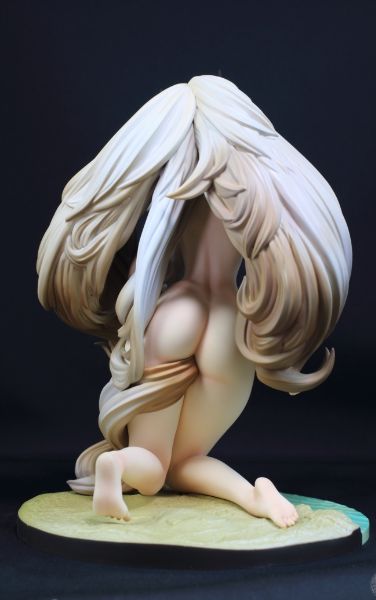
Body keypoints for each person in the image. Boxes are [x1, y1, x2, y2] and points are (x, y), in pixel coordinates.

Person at [37, 75, 352, 528]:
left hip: (176, 309)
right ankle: (253, 495)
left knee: (154, 463)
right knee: (186, 460)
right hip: (227, 317)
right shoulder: (256, 178)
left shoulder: (176, 181)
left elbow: (145, 249)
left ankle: (119, 465)